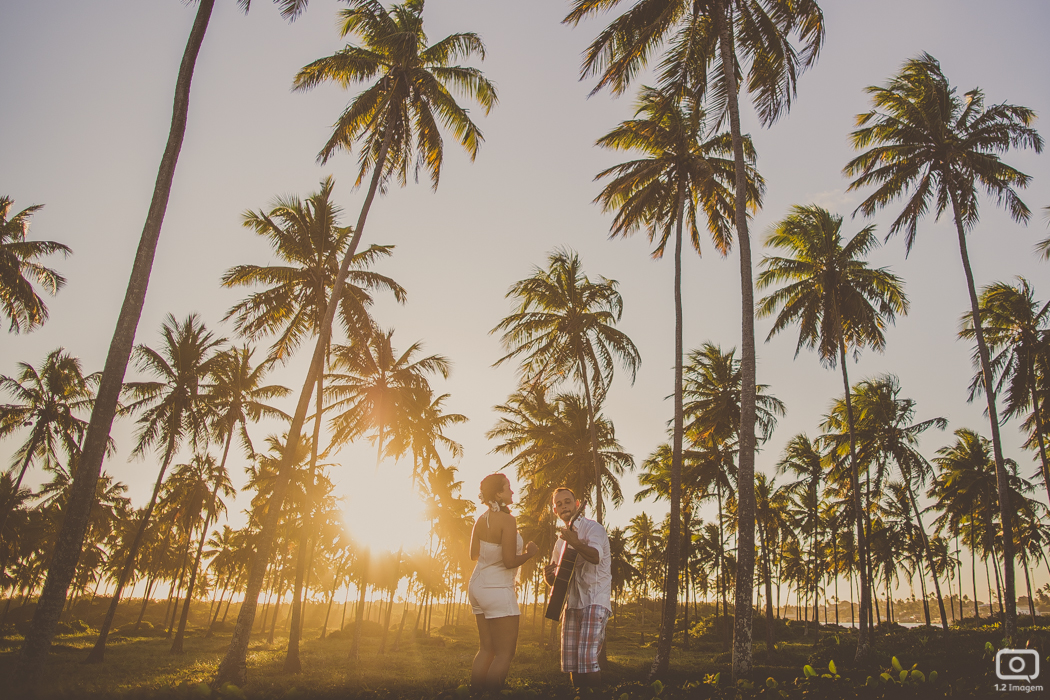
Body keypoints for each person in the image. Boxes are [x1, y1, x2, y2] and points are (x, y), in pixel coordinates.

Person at [468, 473, 538, 692]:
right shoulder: (508, 520)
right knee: (505, 653)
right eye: (508, 487)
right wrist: (529, 554)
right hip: (498, 590)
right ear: (498, 493)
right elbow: (509, 562)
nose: (512, 491)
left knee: (486, 649)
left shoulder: (481, 519)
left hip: (477, 585)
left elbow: (473, 554)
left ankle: (475, 695)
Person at [544, 487, 611, 689]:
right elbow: (560, 579)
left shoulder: (593, 529)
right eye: (559, 504)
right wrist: (549, 578)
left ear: (577, 503)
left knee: (587, 661)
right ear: (555, 510)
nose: (563, 506)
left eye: (567, 501)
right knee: (572, 663)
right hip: (571, 604)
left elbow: (596, 556)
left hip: (594, 600)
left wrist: (575, 542)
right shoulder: (559, 543)